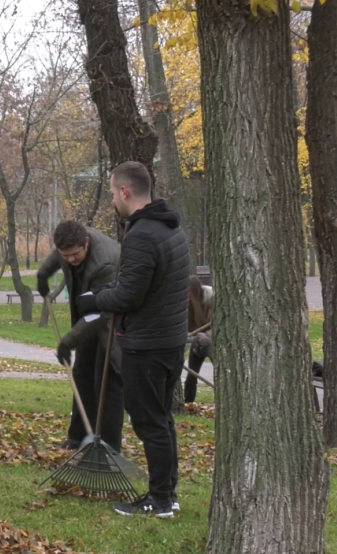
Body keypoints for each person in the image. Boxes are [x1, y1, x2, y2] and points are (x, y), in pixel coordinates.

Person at [75, 161, 190, 518]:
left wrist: (94, 300)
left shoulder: (142, 235)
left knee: (149, 423)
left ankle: (160, 500)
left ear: (125, 191)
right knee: (162, 420)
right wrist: (110, 292)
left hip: (148, 345)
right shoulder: (170, 229)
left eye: (112, 192)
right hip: (170, 341)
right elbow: (141, 284)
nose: (112, 199)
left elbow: (129, 296)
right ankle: (167, 494)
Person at [37, 220, 124, 452]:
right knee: (81, 375)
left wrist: (68, 342)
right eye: (65, 256)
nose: (70, 260)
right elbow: (58, 256)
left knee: (105, 383)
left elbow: (102, 313)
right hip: (87, 318)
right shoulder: (68, 249)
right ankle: (77, 437)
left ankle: (109, 447)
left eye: (74, 255)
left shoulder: (104, 264)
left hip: (110, 323)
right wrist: (43, 274)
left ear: (85, 243)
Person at [184, 276, 213, 404]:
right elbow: (188, 325)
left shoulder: (211, 297)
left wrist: (207, 336)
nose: (188, 296)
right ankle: (188, 403)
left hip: (212, 342)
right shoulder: (188, 302)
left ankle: (221, 405)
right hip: (197, 340)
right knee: (192, 375)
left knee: (219, 375)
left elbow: (218, 325)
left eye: (189, 293)